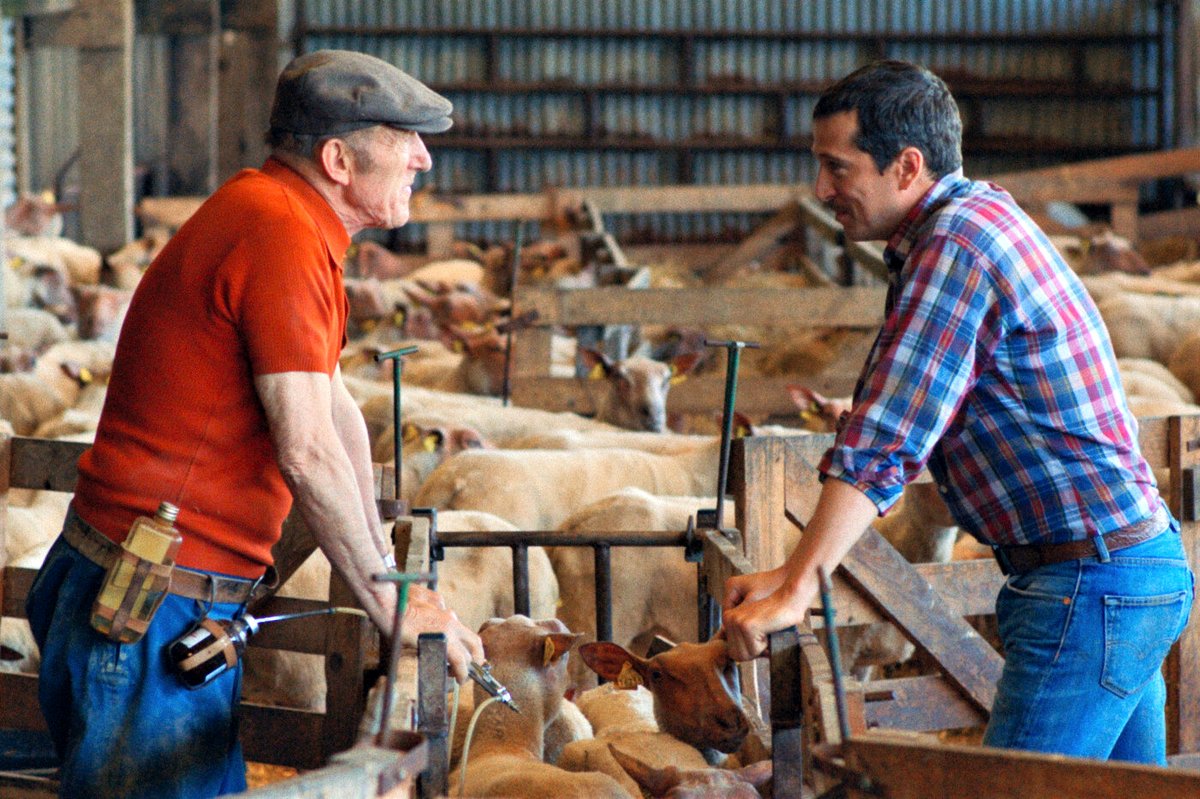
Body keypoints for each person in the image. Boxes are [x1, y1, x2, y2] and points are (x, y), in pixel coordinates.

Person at [25, 50, 485, 798]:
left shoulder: (284, 219)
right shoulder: (278, 233)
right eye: (406, 139)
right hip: (147, 613)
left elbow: (334, 413)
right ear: (338, 158)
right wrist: (392, 604)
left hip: (156, 600)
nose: (424, 158)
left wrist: (402, 589)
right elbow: (304, 450)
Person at [721, 60, 1194, 765]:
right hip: (1116, 571)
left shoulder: (957, 245)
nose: (821, 191)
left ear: (906, 165)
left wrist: (796, 587)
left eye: (837, 168)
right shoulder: (966, 225)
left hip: (1089, 585)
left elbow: (886, 434)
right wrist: (794, 571)